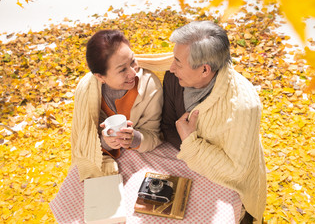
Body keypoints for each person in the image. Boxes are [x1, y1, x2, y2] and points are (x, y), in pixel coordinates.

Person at [161, 21, 266, 223]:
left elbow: (237, 172)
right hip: (193, 173)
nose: (172, 67)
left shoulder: (243, 107)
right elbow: (168, 125)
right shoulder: (175, 79)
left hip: (232, 189)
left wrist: (190, 141)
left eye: (178, 63)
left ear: (204, 70)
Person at [70, 29, 172, 181]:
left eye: (132, 61)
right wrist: (106, 142)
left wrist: (135, 138)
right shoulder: (86, 91)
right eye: (122, 70)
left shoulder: (150, 86)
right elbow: (85, 141)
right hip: (102, 162)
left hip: (141, 158)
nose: (133, 73)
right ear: (100, 77)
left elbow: (154, 135)